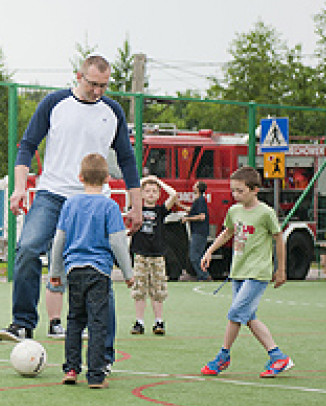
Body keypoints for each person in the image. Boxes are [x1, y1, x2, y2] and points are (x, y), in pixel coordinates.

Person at [4, 55, 142, 343]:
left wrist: (136, 204)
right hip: (53, 194)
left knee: (97, 264)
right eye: (93, 84)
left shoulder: (112, 111)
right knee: (28, 249)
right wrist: (19, 188)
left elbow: (128, 161)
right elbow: (27, 146)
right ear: (79, 76)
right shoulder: (54, 104)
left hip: (94, 200)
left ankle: (99, 330)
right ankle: (23, 323)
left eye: (104, 86)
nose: (98, 91)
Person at [48, 153, 134, 389]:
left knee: (75, 320)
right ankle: (96, 375)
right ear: (107, 178)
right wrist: (128, 273)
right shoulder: (110, 206)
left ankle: (71, 369)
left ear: (80, 177)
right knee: (98, 322)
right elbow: (117, 242)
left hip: (74, 269)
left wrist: (55, 271)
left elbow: (59, 239)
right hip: (99, 272)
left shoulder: (70, 204)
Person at [200, 166, 293, 378]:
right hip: (239, 272)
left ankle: (223, 356)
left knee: (235, 314)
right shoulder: (234, 211)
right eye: (233, 191)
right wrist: (209, 251)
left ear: (254, 190)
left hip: (257, 272)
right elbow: (227, 233)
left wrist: (281, 269)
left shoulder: (266, 213)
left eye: (240, 191)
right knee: (247, 316)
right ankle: (278, 356)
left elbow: (279, 238)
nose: (235, 195)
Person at [129, 176, 179, 336]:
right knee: (139, 290)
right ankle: (139, 322)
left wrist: (158, 181)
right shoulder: (136, 208)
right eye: (147, 191)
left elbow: (174, 195)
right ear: (142, 194)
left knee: (158, 290)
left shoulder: (160, 211)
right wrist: (145, 180)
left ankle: (158, 321)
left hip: (157, 255)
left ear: (158, 194)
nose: (151, 194)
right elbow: (130, 191)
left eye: (154, 191)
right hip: (141, 254)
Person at [184, 181, 211, 281]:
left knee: (194, 256)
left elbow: (201, 216)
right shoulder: (199, 200)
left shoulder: (200, 200)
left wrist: (187, 219)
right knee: (198, 255)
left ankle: (204, 275)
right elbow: (192, 210)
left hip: (199, 232)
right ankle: (202, 275)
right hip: (198, 231)